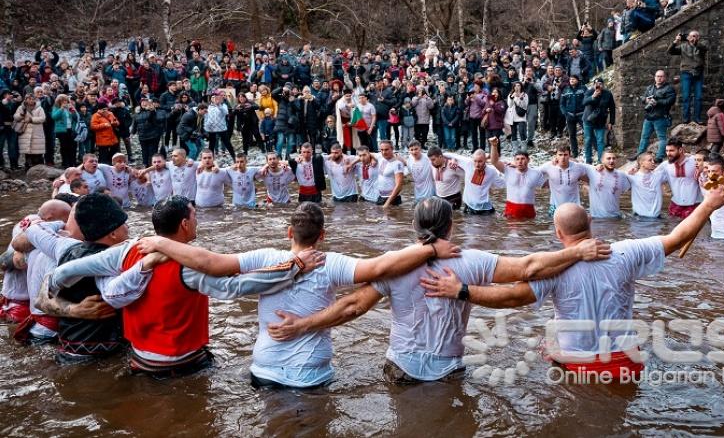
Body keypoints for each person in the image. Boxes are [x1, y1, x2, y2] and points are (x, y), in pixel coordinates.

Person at [266, 197, 612, 384]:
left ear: (415, 227)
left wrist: (302, 325)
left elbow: (353, 307)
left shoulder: (394, 264)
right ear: (450, 226)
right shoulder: (471, 261)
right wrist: (577, 251)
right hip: (448, 368)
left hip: (400, 368)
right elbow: (528, 268)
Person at [134, 201, 462, 388]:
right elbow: (380, 268)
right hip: (311, 376)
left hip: (262, 371)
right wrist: (429, 248)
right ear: (322, 234)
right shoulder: (331, 263)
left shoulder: (263, 257)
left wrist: (163, 244)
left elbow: (213, 264)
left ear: (289, 232)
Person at [418, 188, 724, 381]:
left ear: (558, 234)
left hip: (578, 362)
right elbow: (676, 238)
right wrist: (708, 204)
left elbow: (512, 298)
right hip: (625, 358)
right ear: (591, 222)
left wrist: (461, 290)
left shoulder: (554, 269)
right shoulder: (626, 252)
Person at [46, 196, 324, 377]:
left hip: (139, 362)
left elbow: (74, 268)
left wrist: (55, 285)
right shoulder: (189, 267)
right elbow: (238, 287)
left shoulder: (127, 250)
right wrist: (294, 266)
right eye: (194, 216)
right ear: (184, 224)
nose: (197, 220)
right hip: (182, 365)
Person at [32, 193, 130, 363]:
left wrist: (72, 309)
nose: (128, 228)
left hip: (69, 352)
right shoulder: (114, 262)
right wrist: (76, 309)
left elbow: (41, 299)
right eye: (124, 224)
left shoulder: (68, 248)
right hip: (97, 358)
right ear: (113, 234)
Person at [488, 137, 545, 219]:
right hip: (511, 212)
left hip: (528, 212)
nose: (520, 161)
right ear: (514, 161)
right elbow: (494, 161)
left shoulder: (535, 173)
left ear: (528, 160)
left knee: (529, 230)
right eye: (517, 159)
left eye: (523, 159)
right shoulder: (508, 170)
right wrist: (494, 145)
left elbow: (547, 185)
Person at [443, 149, 505, 214]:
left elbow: (502, 184)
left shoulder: (491, 172)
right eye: (475, 161)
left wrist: (507, 171)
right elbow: (450, 155)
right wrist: (453, 159)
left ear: (485, 160)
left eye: (480, 161)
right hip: (469, 206)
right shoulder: (468, 163)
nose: (477, 164)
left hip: (484, 207)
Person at [635, 70, 676, 163]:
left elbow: (670, 101)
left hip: (660, 117)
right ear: (655, 77)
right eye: (657, 76)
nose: (659, 78)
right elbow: (642, 97)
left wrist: (658, 102)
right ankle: (640, 154)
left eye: (661, 76)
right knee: (644, 137)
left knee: (662, 138)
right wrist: (646, 100)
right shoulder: (650, 87)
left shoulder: (669, 88)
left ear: (665, 77)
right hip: (648, 117)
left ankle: (659, 157)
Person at [668, 31, 708, 124]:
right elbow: (670, 51)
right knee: (686, 97)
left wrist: (696, 43)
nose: (692, 38)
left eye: (695, 36)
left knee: (698, 97)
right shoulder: (683, 46)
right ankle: (686, 119)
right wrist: (675, 41)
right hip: (686, 73)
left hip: (698, 73)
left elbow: (705, 48)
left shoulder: (701, 45)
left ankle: (697, 118)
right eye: (691, 36)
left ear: (698, 37)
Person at [538, 143, 589, 216]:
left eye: (565, 155)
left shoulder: (578, 167)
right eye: (560, 155)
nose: (563, 157)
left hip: (574, 207)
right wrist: (542, 182)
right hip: (555, 207)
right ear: (556, 156)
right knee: (552, 226)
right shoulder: (549, 166)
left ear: (569, 155)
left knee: (575, 226)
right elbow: (534, 173)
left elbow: (591, 175)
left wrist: (587, 186)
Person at [659, 139, 702, 218]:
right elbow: (651, 176)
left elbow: (714, 166)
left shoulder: (694, 160)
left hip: (694, 204)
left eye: (671, 150)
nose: (668, 153)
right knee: (672, 229)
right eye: (667, 151)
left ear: (680, 150)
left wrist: (703, 168)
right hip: (675, 205)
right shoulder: (665, 165)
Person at [581, 77, 615, 164]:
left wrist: (611, 122)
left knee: (600, 141)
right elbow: (584, 102)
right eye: (596, 84)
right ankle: (588, 160)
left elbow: (612, 108)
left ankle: (601, 161)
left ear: (603, 85)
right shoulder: (589, 92)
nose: (598, 85)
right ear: (593, 85)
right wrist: (593, 97)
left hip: (600, 121)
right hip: (588, 119)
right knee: (588, 139)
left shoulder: (608, 93)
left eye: (600, 84)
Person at [14, 94, 47, 169]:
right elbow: (15, 117)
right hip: (25, 132)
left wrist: (31, 119)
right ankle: (28, 168)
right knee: (27, 152)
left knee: (37, 153)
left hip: (37, 133)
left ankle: (39, 168)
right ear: (25, 99)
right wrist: (21, 115)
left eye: (32, 99)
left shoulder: (39, 108)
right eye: (29, 99)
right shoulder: (21, 108)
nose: (31, 100)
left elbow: (43, 118)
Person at [559, 75, 586, 158]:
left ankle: (595, 150)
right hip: (570, 115)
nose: (571, 80)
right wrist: (565, 113)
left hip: (581, 115)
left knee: (588, 133)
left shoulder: (583, 88)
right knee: (572, 135)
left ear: (577, 80)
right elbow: (562, 103)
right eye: (570, 79)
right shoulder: (566, 89)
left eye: (573, 79)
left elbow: (587, 100)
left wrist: (585, 111)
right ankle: (574, 153)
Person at [133, 97, 164, 165]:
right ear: (140, 104)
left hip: (153, 135)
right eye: (142, 102)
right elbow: (135, 123)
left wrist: (152, 111)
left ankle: (151, 165)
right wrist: (133, 132)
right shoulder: (137, 113)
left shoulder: (153, 111)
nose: (144, 103)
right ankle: (145, 164)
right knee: (144, 151)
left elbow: (156, 121)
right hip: (142, 135)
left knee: (152, 152)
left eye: (145, 102)